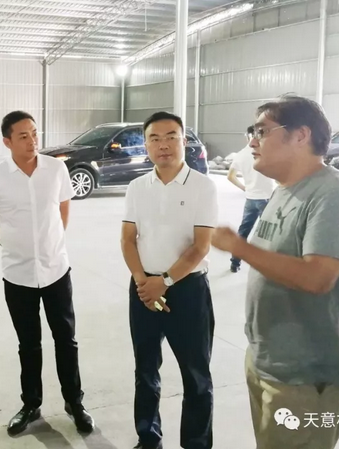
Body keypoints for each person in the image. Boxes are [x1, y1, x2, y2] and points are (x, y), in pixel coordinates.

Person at [211, 95, 339, 449]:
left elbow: (318, 277)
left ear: (301, 135)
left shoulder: (335, 194)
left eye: (262, 131)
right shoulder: (285, 191)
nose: (252, 142)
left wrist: (240, 248)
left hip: (307, 376)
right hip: (272, 362)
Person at [0, 111, 94, 436]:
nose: (32, 141)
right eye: (23, 136)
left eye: (34, 133)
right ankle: (31, 404)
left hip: (56, 270)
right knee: (28, 344)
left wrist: (53, 242)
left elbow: (64, 207)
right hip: (18, 275)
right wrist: (12, 244)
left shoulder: (56, 169)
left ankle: (74, 402)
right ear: (7, 142)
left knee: (66, 339)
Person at [120, 111, 218, 449]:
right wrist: (142, 282)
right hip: (144, 289)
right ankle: (148, 437)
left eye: (171, 137)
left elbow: (200, 246)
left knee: (196, 375)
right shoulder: (137, 187)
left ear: (184, 141)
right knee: (145, 370)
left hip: (187, 290)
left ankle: (196, 443)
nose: (163, 145)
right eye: (155, 139)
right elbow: (128, 239)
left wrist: (164, 281)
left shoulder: (203, 186)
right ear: (146, 144)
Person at [226, 125, 275, 273]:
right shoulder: (265, 152)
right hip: (266, 198)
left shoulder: (240, 155)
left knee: (243, 232)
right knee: (267, 235)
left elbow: (230, 176)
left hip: (250, 199)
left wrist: (245, 188)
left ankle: (235, 263)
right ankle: (266, 266)